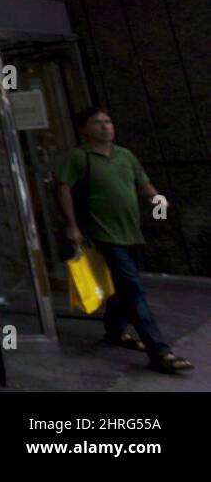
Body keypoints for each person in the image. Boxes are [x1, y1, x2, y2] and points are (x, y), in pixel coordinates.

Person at [54, 107, 193, 375]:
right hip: (102, 234)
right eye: (98, 123)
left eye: (108, 121)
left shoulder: (125, 155)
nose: (106, 127)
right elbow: (62, 189)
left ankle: (115, 332)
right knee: (133, 289)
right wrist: (71, 226)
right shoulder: (79, 157)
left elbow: (143, 184)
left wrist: (157, 200)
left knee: (122, 288)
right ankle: (160, 351)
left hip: (131, 232)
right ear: (84, 130)